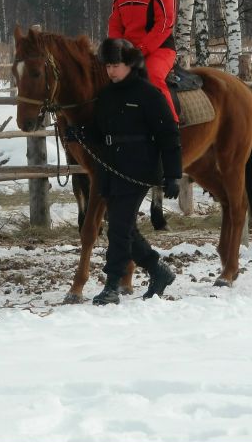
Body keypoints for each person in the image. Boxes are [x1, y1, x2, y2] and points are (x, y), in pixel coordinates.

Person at [88, 37, 181, 305]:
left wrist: (173, 175)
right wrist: (80, 133)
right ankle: (157, 270)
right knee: (124, 227)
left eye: (115, 65)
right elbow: (99, 131)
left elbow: (168, 135)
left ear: (129, 64)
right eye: (107, 66)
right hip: (112, 170)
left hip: (138, 169)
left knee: (118, 228)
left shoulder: (148, 94)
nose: (111, 71)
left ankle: (112, 284)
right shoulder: (106, 95)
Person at [108, 0, 179, 123]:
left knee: (152, 76)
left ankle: (169, 125)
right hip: (128, 51)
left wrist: (141, 50)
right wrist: (116, 49)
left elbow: (164, 24)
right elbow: (115, 23)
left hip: (159, 48)